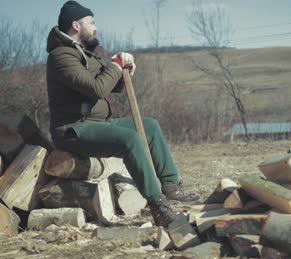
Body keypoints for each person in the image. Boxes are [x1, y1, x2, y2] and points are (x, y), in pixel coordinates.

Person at [46, 1, 199, 228]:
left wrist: (122, 72)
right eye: (92, 22)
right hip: (73, 129)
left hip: (98, 123)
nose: (96, 27)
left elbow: (108, 86)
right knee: (129, 139)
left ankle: (171, 185)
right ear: (76, 25)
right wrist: (115, 65)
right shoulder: (61, 57)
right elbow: (96, 89)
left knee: (149, 126)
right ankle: (158, 205)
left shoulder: (86, 52)